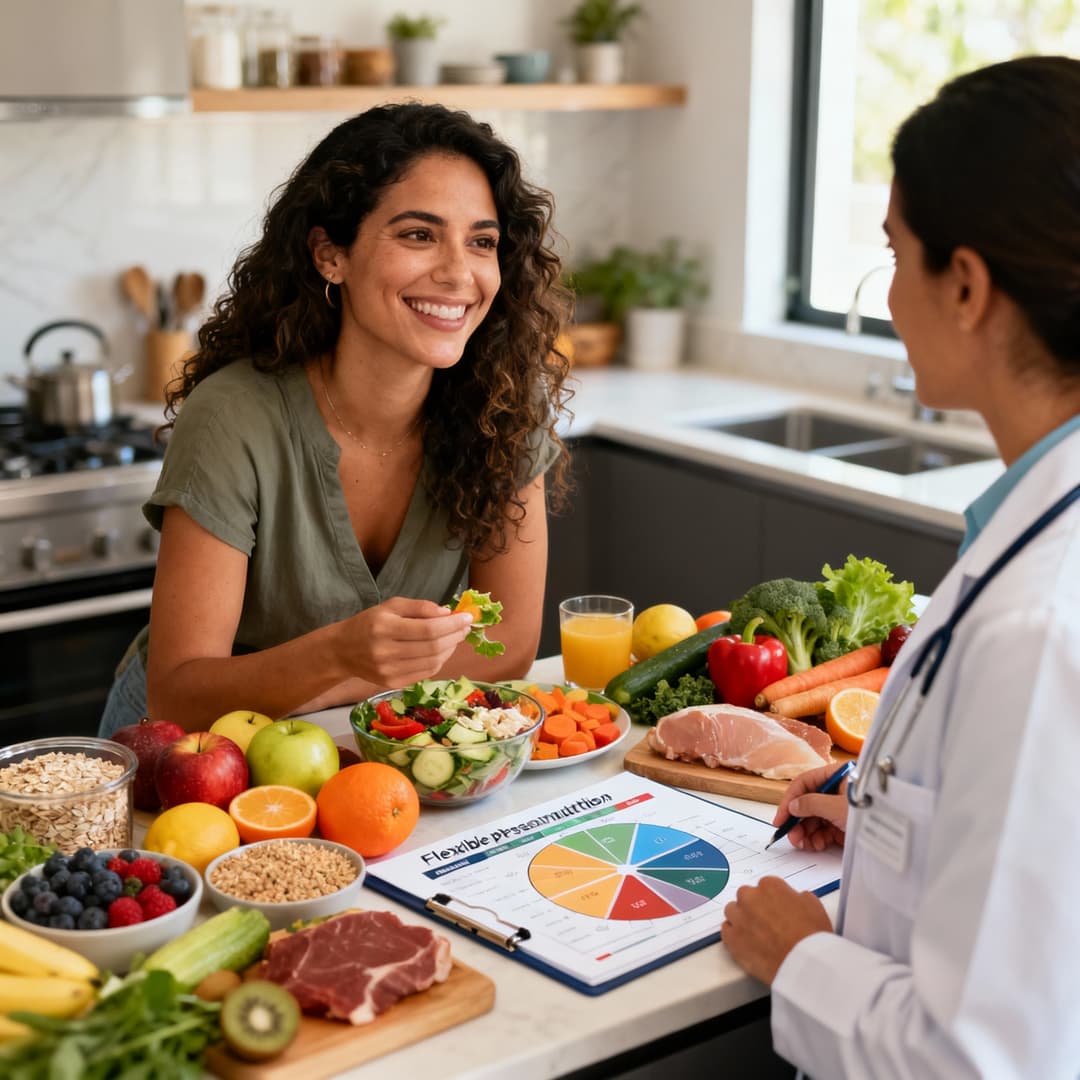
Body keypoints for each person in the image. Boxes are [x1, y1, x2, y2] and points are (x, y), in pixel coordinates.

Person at [721, 56, 1080, 1077]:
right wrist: (888, 830)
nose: (886, 286)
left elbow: (982, 1059)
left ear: (964, 285)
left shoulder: (1042, 624)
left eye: (894, 249)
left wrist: (803, 961)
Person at [99, 102, 572, 736]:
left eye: (482, 242)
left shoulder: (507, 403)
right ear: (330, 254)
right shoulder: (233, 417)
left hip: (366, 741)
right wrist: (339, 656)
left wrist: (356, 688)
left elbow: (510, 645)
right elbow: (178, 693)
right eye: (418, 234)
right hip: (195, 749)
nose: (460, 273)